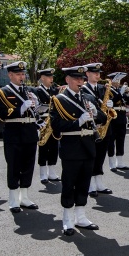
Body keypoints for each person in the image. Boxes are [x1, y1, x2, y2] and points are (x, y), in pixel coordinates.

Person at [50, 66, 106, 236]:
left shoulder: (88, 97)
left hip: (88, 145)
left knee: (84, 183)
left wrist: (96, 113)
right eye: (76, 79)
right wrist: (78, 122)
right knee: (69, 183)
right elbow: (56, 126)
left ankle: (80, 216)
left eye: (82, 79)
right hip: (71, 147)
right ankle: (67, 219)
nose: (80, 82)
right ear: (67, 80)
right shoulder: (59, 99)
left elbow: (103, 118)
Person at [0, 61, 40, 213]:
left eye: (23, 74)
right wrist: (20, 108)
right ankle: (13, 199)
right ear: (10, 75)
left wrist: (36, 104)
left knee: (28, 166)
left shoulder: (28, 91)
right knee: (14, 166)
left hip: (30, 133)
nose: (22, 77)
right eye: (18, 74)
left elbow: (36, 113)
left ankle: (25, 197)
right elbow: (1, 114)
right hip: (14, 133)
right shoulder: (3, 92)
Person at [81, 62, 113, 197]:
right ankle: (90, 183)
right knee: (90, 156)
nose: (98, 75)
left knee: (101, 155)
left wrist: (110, 104)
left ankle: (99, 181)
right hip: (91, 127)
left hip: (104, 126)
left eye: (99, 73)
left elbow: (111, 101)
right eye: (95, 72)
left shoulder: (103, 88)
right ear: (87, 74)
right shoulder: (82, 88)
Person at [32, 68, 61, 184]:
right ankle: (43, 173)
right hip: (43, 122)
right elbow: (36, 108)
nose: (51, 79)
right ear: (42, 78)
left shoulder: (54, 91)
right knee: (44, 147)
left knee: (54, 148)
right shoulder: (37, 91)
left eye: (52, 77)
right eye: (49, 77)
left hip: (54, 122)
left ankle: (52, 172)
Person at [106, 72, 129, 171]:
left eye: (119, 81)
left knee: (121, 140)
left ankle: (120, 162)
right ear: (112, 81)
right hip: (113, 117)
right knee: (111, 140)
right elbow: (110, 102)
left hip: (121, 116)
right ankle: (112, 163)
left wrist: (126, 94)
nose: (118, 83)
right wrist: (120, 93)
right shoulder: (108, 90)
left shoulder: (120, 90)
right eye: (116, 80)